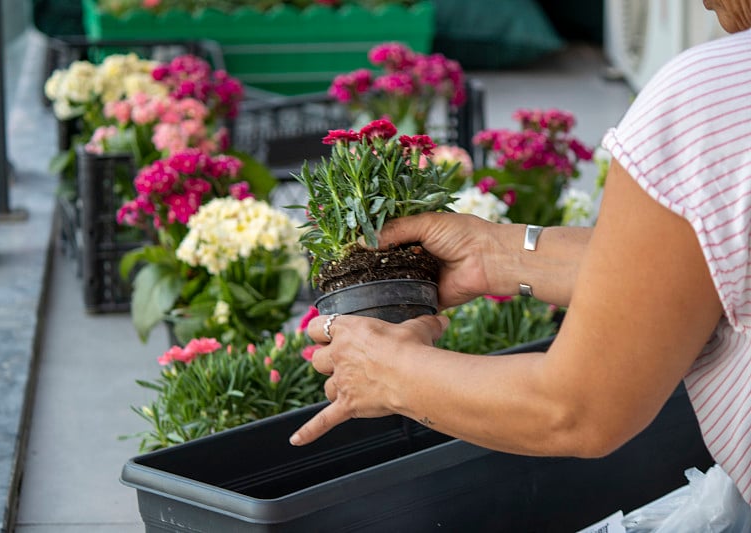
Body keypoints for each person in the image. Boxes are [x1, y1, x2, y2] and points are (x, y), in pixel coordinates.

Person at [288, 0, 751, 507]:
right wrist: (496, 254)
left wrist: (388, 371)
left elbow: (576, 407)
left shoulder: (713, 94)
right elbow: (701, 265)